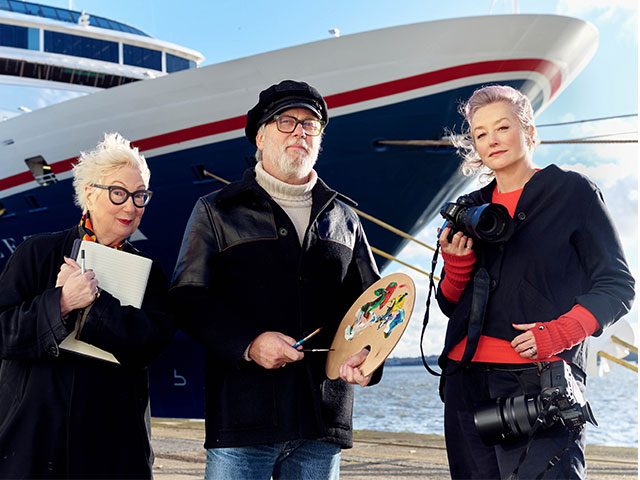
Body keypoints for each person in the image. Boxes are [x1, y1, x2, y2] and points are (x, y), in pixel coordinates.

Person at [171, 79, 381, 479]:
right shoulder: (217, 211)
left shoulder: (345, 220)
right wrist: (249, 344)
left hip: (321, 422)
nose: (301, 130)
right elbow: (188, 298)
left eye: (311, 124)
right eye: (287, 121)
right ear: (260, 138)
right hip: (243, 419)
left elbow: (373, 304)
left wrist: (370, 357)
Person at [435, 85, 634, 479]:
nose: (491, 140)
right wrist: (457, 267)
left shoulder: (573, 192)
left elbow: (617, 285)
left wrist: (561, 332)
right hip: (465, 383)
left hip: (539, 384)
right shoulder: (472, 209)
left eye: (502, 127)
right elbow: (448, 303)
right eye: (480, 133)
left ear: (528, 131)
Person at [0, 133, 174, 479]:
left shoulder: (150, 273)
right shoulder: (37, 253)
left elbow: (149, 346)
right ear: (90, 195)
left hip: (112, 448)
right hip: (33, 444)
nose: (131, 207)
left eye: (140, 196)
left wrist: (93, 305)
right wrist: (60, 303)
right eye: (118, 193)